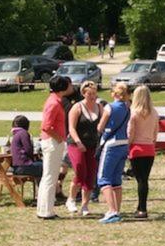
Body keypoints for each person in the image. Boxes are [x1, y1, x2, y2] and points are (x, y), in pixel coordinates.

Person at [65, 81, 109, 217]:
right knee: (80, 170)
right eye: (89, 94)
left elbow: (104, 122)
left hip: (92, 144)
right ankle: (71, 199)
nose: (92, 96)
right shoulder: (77, 107)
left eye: (94, 93)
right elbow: (71, 128)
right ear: (84, 93)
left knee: (90, 175)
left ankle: (85, 205)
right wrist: (78, 142)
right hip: (76, 143)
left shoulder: (99, 107)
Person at [37, 76, 73, 220]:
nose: (71, 87)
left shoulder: (54, 100)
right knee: (50, 177)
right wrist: (58, 138)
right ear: (63, 87)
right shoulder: (54, 103)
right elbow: (46, 126)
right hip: (52, 142)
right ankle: (47, 211)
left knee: (48, 176)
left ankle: (43, 208)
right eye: (69, 85)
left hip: (52, 142)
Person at [97, 84, 131, 224]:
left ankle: (111, 211)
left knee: (104, 178)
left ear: (114, 94)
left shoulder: (109, 107)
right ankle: (116, 210)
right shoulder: (127, 108)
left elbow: (100, 126)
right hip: (123, 143)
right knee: (116, 179)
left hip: (111, 143)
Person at [127, 85, 158, 219]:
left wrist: (127, 147)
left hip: (136, 148)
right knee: (144, 179)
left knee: (140, 180)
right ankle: (141, 206)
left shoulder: (133, 113)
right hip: (149, 148)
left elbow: (131, 133)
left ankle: (142, 209)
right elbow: (155, 132)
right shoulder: (154, 113)